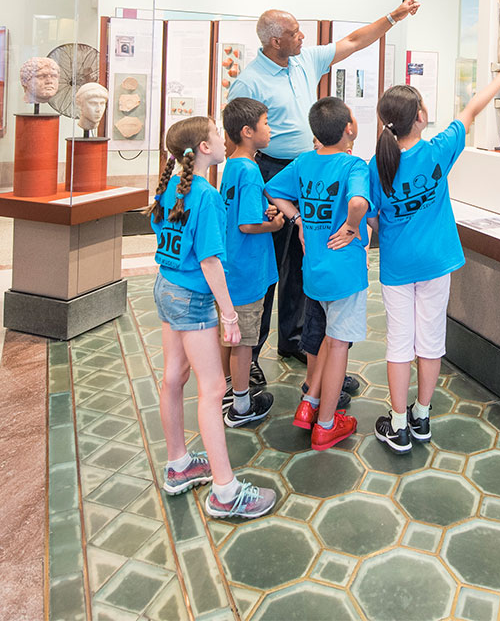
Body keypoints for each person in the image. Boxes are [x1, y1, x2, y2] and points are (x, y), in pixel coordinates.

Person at [226, 0, 422, 367]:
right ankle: (249, 355)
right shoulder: (249, 81)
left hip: (310, 171)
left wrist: (393, 17)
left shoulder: (303, 60)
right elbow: (236, 134)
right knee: (269, 265)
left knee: (303, 260)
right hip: (271, 172)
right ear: (274, 42)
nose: (303, 37)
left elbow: (354, 41)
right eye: (294, 32)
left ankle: (295, 339)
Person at [370, 64, 500, 453]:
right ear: (420, 118)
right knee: (431, 341)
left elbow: (371, 219)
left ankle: (398, 424)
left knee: (399, 344)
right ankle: (422, 416)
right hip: (436, 264)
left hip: (397, 268)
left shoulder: (377, 166)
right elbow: (470, 113)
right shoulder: (437, 151)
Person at [148, 115, 277, 519]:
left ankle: (179, 464)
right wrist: (229, 313)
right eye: (215, 136)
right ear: (204, 149)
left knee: (173, 376)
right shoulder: (203, 194)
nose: (223, 140)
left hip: (165, 287)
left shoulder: (172, 185)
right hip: (192, 299)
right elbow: (209, 261)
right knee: (211, 390)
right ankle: (225, 490)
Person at [265, 97, 372, 450]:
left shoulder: (303, 162)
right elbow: (358, 203)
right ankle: (327, 424)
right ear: (348, 130)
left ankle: (309, 404)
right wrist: (352, 226)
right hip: (344, 273)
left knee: (327, 337)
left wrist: (297, 219)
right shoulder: (354, 165)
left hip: (314, 271)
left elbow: (273, 190)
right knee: (339, 344)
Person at [217, 97, 284, 426]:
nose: (270, 130)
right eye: (266, 124)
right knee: (245, 340)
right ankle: (241, 406)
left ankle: (224, 389)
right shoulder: (251, 170)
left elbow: (240, 212)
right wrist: (273, 223)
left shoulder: (232, 164)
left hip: (232, 266)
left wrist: (263, 212)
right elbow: (246, 224)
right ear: (247, 131)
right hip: (247, 270)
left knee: (228, 335)